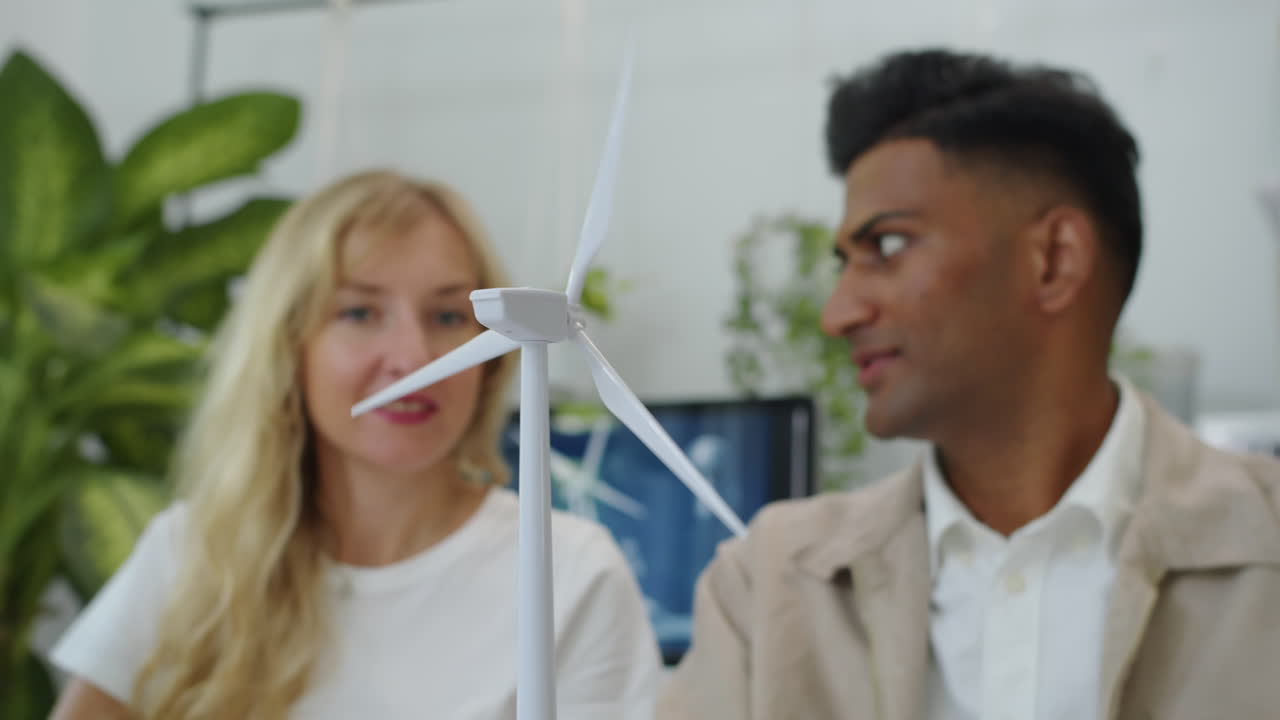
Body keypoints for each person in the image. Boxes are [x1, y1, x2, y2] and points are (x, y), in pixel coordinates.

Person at [659, 48, 1280, 720]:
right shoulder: (770, 584)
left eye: (888, 247)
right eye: (846, 262)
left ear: (1054, 260)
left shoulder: (1263, 545)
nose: (838, 314)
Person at [48, 170, 661, 720]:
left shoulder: (573, 573)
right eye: (361, 313)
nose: (413, 358)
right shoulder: (191, 554)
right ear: (289, 347)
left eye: (449, 318)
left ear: (493, 355)